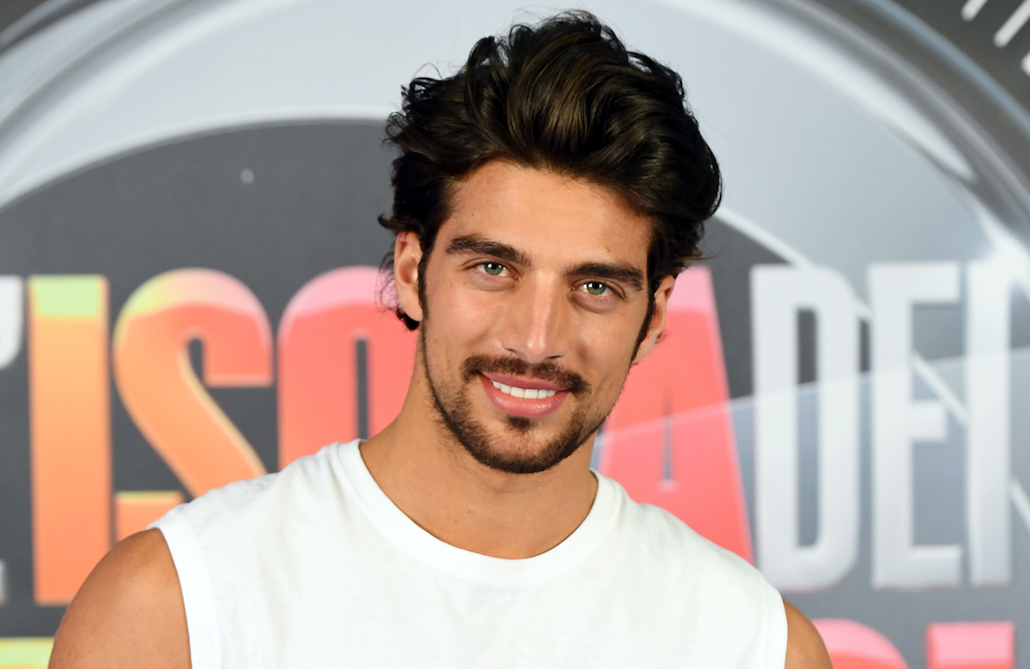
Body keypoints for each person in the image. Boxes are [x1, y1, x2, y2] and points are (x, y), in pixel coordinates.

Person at [50, 12, 830, 669]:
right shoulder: (174, 609)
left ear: (654, 316)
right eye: (494, 268)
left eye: (595, 286)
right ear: (412, 272)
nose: (536, 338)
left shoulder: (753, 645)